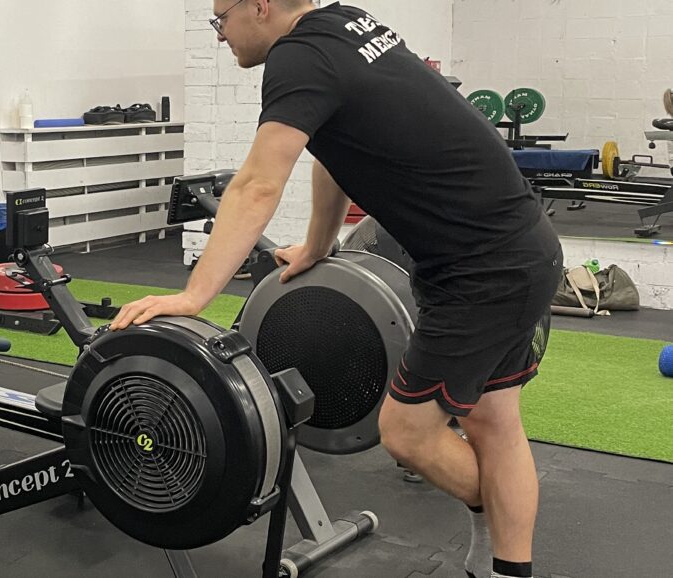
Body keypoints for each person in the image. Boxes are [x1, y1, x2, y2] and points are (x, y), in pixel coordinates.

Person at [110, 3, 561, 578]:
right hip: (521, 248)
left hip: (482, 271)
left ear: (259, 5)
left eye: (220, 18)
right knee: (495, 425)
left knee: (407, 432)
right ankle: (504, 569)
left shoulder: (298, 55)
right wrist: (318, 245)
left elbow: (257, 185)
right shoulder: (346, 23)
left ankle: (491, 510)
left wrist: (194, 296)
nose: (219, 34)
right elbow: (337, 152)